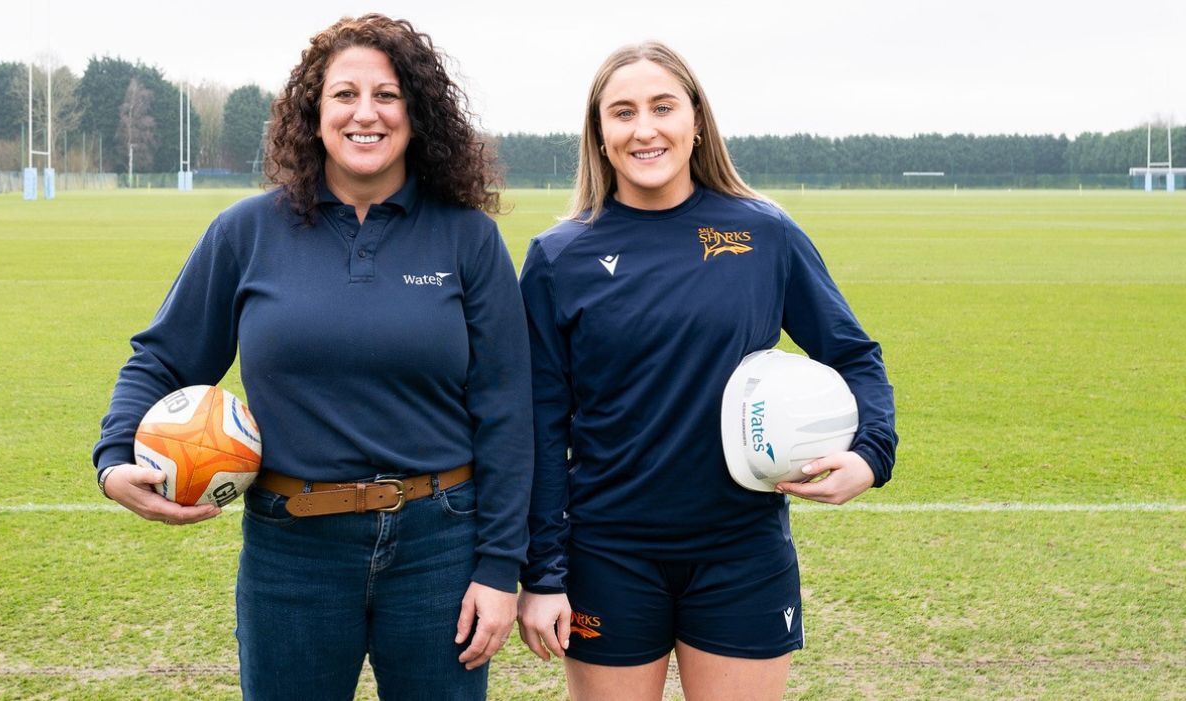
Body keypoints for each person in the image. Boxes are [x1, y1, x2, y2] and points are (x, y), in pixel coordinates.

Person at [92, 15, 531, 700]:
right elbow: (163, 358)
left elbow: (508, 408)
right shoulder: (247, 232)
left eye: (387, 95)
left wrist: (500, 567)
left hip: (440, 546)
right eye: (344, 95)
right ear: (313, 113)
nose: (366, 114)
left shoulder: (468, 239)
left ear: (417, 114)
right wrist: (115, 454)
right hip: (291, 550)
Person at [515, 42, 898, 701]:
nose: (645, 128)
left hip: (741, 551)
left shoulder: (764, 233)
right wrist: (543, 575)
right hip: (609, 554)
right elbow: (539, 427)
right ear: (599, 134)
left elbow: (853, 351)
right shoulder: (558, 257)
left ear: (696, 120)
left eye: (663, 107)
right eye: (623, 112)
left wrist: (872, 453)